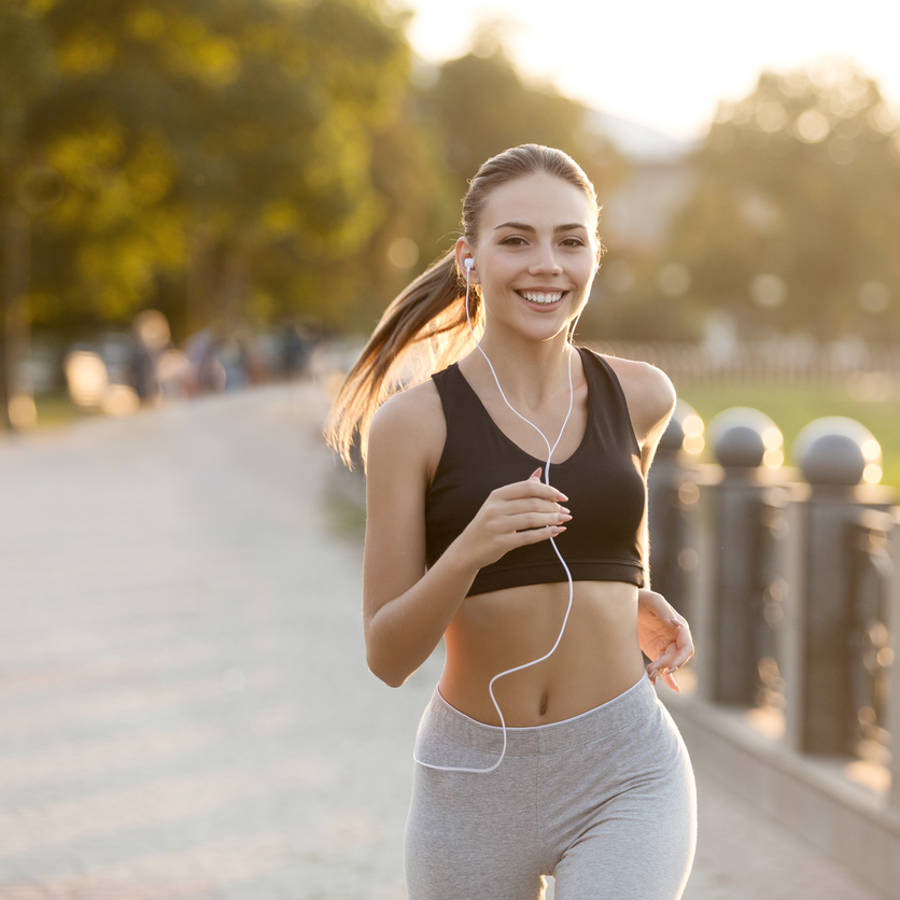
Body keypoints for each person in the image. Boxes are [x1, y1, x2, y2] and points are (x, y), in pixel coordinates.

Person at [325, 144, 697, 899]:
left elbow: (623, 534)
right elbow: (388, 656)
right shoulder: (412, 424)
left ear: (595, 254)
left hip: (627, 767)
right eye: (516, 239)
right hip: (474, 779)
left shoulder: (644, 396)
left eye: (570, 240)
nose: (546, 264)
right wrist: (468, 551)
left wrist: (636, 597)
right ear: (470, 259)